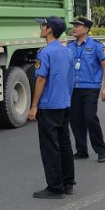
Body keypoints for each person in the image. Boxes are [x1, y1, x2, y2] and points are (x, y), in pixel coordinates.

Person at [27, 16, 75, 199]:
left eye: (43, 25)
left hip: (49, 104)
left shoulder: (45, 53)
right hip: (64, 102)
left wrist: (33, 106)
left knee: (50, 146)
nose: (41, 28)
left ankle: (55, 187)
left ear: (50, 30)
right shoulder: (67, 52)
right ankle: (68, 182)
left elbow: (41, 79)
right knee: (64, 144)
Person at [68, 17, 105, 162]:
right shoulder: (69, 46)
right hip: (74, 88)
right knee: (75, 120)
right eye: (73, 26)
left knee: (90, 117)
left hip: (90, 88)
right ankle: (81, 151)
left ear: (86, 29)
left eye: (77, 26)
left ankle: (101, 150)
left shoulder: (96, 45)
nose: (74, 28)